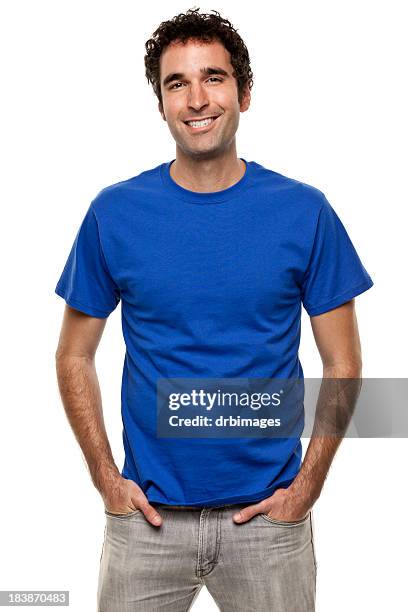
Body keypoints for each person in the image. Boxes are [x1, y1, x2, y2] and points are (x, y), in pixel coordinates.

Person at [54, 8, 374, 611]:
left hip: (268, 525)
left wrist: (305, 490)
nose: (197, 98)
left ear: (244, 93)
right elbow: (73, 354)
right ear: (161, 104)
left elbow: (345, 362)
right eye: (177, 83)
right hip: (144, 524)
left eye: (214, 78)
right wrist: (106, 481)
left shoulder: (304, 211)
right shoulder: (113, 213)